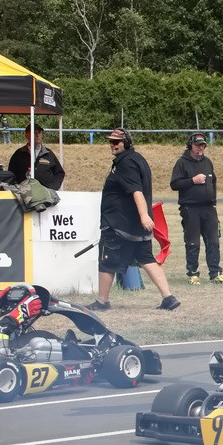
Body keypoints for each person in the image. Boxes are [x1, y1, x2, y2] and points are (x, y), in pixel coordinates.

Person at [88, 127, 180, 311]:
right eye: (111, 141)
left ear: (127, 143)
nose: (112, 145)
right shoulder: (136, 159)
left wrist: (144, 216)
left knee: (107, 260)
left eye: (116, 142)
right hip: (134, 226)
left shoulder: (126, 163)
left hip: (119, 225)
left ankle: (102, 301)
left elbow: (136, 191)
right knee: (146, 258)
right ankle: (168, 298)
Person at [170, 132, 223, 285]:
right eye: (197, 145)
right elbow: (174, 184)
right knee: (193, 242)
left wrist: (213, 201)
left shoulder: (207, 162)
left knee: (213, 241)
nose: (200, 148)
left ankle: (215, 274)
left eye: (202, 145)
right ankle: (193, 273)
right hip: (190, 208)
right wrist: (192, 181)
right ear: (190, 145)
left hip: (208, 208)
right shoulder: (182, 163)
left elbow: (213, 182)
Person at [8, 123, 66, 190]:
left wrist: (52, 188)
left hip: (46, 193)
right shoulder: (19, 154)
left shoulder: (48, 153)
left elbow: (59, 173)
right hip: (24, 193)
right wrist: (17, 189)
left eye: (39, 132)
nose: (37, 135)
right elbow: (11, 174)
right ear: (26, 135)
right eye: (34, 132)